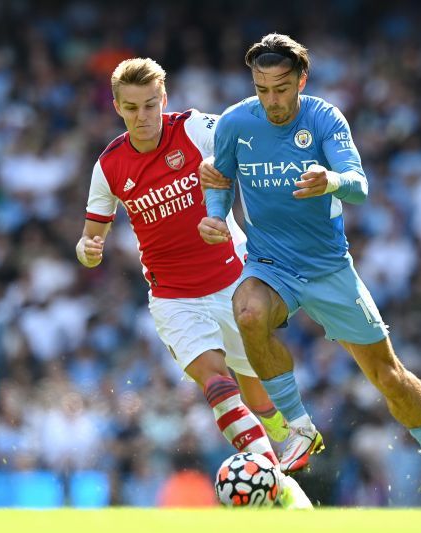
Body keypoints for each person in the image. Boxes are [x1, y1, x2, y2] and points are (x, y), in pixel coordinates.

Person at [199, 34, 421, 509]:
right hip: (270, 263)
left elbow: (359, 186)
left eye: (281, 88)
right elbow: (220, 177)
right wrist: (214, 215)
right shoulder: (235, 122)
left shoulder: (325, 118)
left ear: (301, 81)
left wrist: (330, 180)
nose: (272, 99)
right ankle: (299, 427)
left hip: (329, 268)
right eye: (262, 89)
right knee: (247, 313)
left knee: (389, 377)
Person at [76, 57, 310, 509]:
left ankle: (292, 441)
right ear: (117, 107)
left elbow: (250, 137)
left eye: (149, 105)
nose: (142, 117)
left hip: (234, 279)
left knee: (258, 391)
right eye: (131, 108)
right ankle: (281, 491)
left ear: (163, 100)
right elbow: (91, 237)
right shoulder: (109, 166)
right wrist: (87, 251)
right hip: (173, 295)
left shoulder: (196, 129)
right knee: (215, 382)